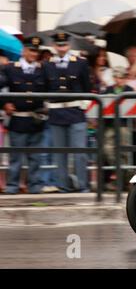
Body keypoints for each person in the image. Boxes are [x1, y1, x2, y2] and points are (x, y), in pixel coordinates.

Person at [42, 31, 91, 193]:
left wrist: (84, 105)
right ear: (54, 46)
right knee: (60, 153)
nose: (61, 47)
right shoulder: (47, 64)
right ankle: (62, 185)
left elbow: (87, 87)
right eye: (58, 45)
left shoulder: (80, 63)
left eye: (64, 44)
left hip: (75, 111)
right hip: (56, 112)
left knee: (79, 152)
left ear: (69, 45)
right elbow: (45, 88)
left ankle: (82, 185)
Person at [0, 36, 47, 194]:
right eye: (31, 50)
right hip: (18, 119)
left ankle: (35, 187)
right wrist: (4, 104)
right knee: (16, 158)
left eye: (36, 51)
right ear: (24, 50)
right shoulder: (10, 68)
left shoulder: (43, 69)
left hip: (36, 120)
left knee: (35, 158)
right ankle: (12, 187)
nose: (34, 54)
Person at [101, 66, 134, 188]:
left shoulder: (130, 90)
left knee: (124, 152)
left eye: (121, 77)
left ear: (125, 78)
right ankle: (120, 175)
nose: (118, 79)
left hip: (124, 125)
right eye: (116, 77)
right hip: (110, 125)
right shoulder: (107, 90)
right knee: (108, 149)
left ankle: (123, 180)